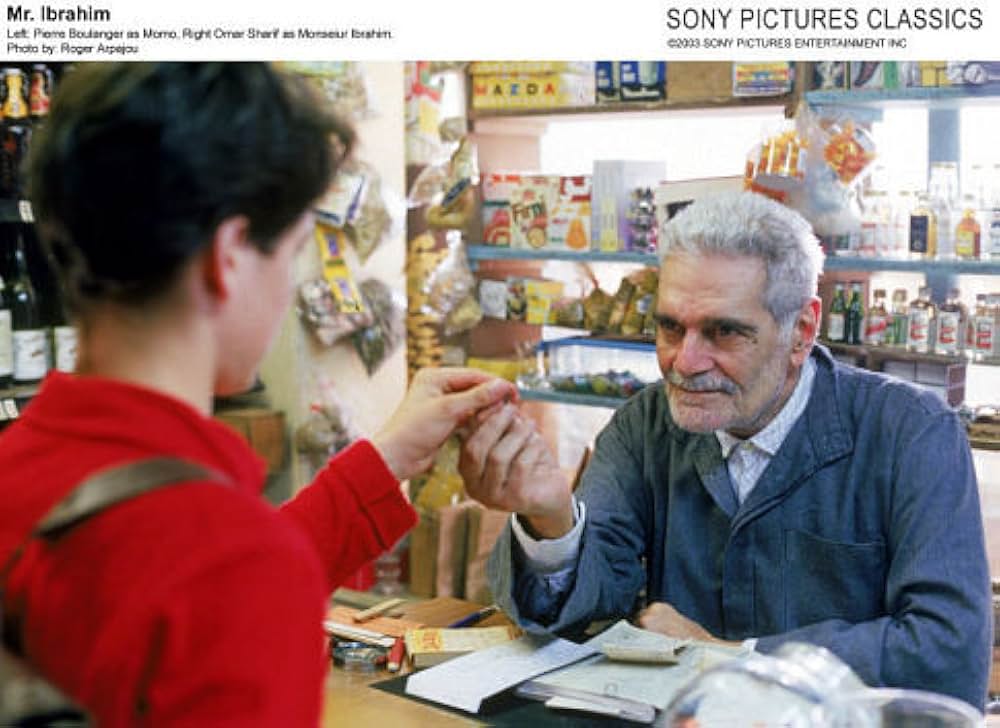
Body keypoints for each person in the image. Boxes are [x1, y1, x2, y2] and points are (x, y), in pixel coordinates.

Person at [0, 63, 516, 726]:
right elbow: (221, 574)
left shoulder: (24, 474)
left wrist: (383, 460)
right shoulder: (231, 568)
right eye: (293, 250)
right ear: (230, 258)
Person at [461, 191, 992, 709]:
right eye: (670, 327)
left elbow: (948, 651)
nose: (684, 362)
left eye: (723, 333)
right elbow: (588, 604)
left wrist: (737, 659)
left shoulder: (912, 435)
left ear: (801, 330)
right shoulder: (645, 426)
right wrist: (552, 519)